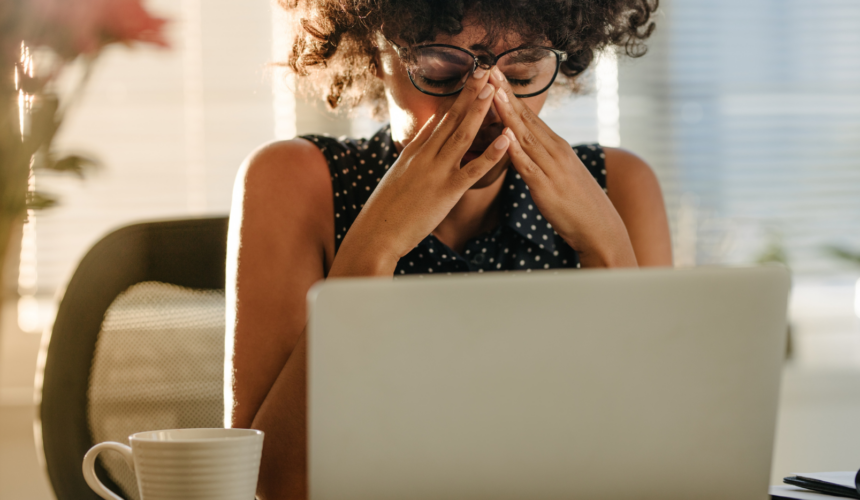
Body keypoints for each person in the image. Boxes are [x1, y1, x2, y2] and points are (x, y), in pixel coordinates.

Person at [227, 1, 670, 498]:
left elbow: (660, 466)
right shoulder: (294, 181)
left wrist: (606, 248)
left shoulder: (620, 187)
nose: (489, 106)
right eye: (440, 72)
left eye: (521, 77)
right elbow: (275, 483)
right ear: (377, 56)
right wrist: (377, 246)